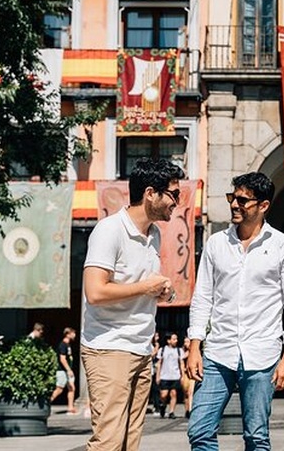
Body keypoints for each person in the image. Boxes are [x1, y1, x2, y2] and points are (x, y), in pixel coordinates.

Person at [186, 172, 284, 451]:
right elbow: (202, 297)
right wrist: (194, 346)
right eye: (232, 198)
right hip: (218, 351)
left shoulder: (283, 246)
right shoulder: (216, 244)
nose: (234, 205)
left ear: (263, 205)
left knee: (256, 436)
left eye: (242, 200)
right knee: (199, 430)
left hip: (262, 353)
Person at [80, 157, 184, 451]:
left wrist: (163, 292)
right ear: (151, 193)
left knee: (129, 442)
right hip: (109, 346)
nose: (176, 202)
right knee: (108, 443)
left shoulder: (154, 234)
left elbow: (140, 286)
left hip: (141, 347)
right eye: (174, 194)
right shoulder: (109, 230)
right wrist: (146, 287)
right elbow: (95, 291)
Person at [156, 332, 185, 419]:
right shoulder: (162, 350)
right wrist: (158, 375)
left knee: (173, 394)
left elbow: (181, 363)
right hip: (164, 376)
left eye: (176, 339)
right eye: (174, 339)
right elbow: (159, 363)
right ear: (168, 340)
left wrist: (182, 375)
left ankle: (171, 411)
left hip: (175, 375)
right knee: (163, 395)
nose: (176, 341)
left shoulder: (179, 351)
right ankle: (163, 405)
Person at [51, 327, 78, 414]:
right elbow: (62, 359)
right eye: (73, 333)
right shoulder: (63, 345)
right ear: (67, 334)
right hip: (62, 371)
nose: (74, 335)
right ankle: (47, 402)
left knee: (72, 388)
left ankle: (70, 407)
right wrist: (68, 369)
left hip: (68, 370)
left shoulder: (68, 345)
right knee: (59, 389)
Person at [180, 337, 193, 418]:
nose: (186, 344)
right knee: (186, 393)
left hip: (192, 374)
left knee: (190, 392)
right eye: (185, 342)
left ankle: (190, 409)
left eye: (188, 342)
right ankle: (187, 409)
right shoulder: (183, 352)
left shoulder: (195, 351)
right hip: (185, 374)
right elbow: (181, 363)